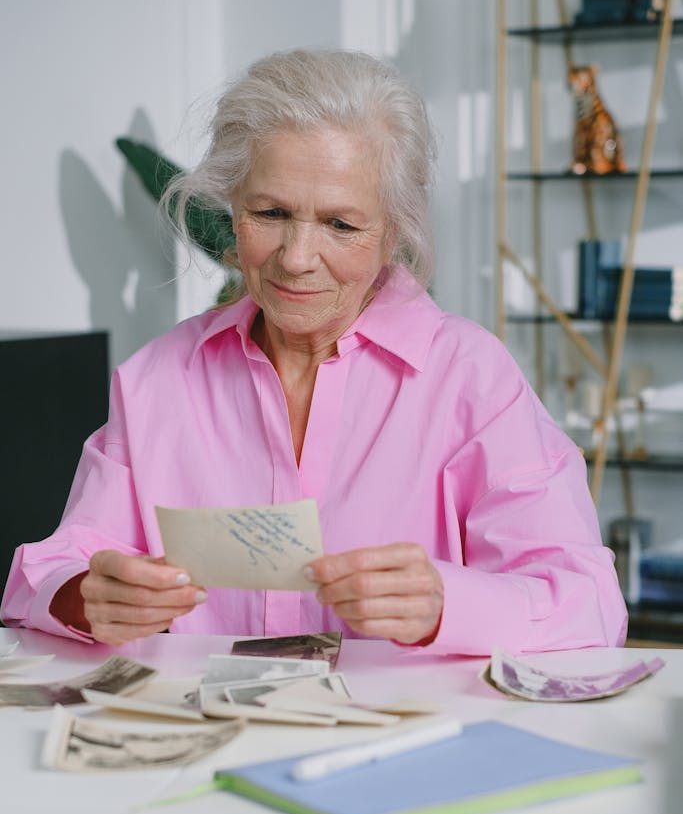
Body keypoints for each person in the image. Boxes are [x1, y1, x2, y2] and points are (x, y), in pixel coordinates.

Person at [1, 49, 627, 654]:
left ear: (393, 234)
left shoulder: (471, 378)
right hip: (210, 736)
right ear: (233, 211)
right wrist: (87, 597)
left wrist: (446, 604)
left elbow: (590, 604)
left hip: (402, 741)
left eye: (342, 225)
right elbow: (47, 574)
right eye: (270, 213)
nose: (297, 259)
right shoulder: (158, 378)